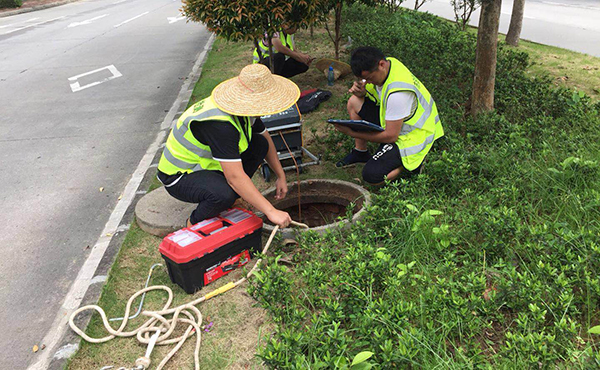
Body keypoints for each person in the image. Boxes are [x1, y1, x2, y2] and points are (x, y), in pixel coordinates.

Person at [156, 64, 300, 228]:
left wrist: (280, 175)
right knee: (224, 194)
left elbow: (264, 137)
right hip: (179, 177)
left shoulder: (244, 109)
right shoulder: (220, 125)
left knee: (259, 144)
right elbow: (234, 178)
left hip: (209, 167)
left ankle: (233, 197)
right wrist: (271, 211)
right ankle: (192, 223)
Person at [333, 46, 444, 184]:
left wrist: (353, 133)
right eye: (363, 79)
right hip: (396, 121)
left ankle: (409, 166)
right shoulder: (389, 64)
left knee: (371, 176)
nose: (367, 82)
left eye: (369, 78)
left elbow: (391, 136)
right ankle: (360, 152)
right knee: (354, 102)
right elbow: (378, 94)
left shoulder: (398, 95)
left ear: (381, 65)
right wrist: (362, 93)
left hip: (414, 135)